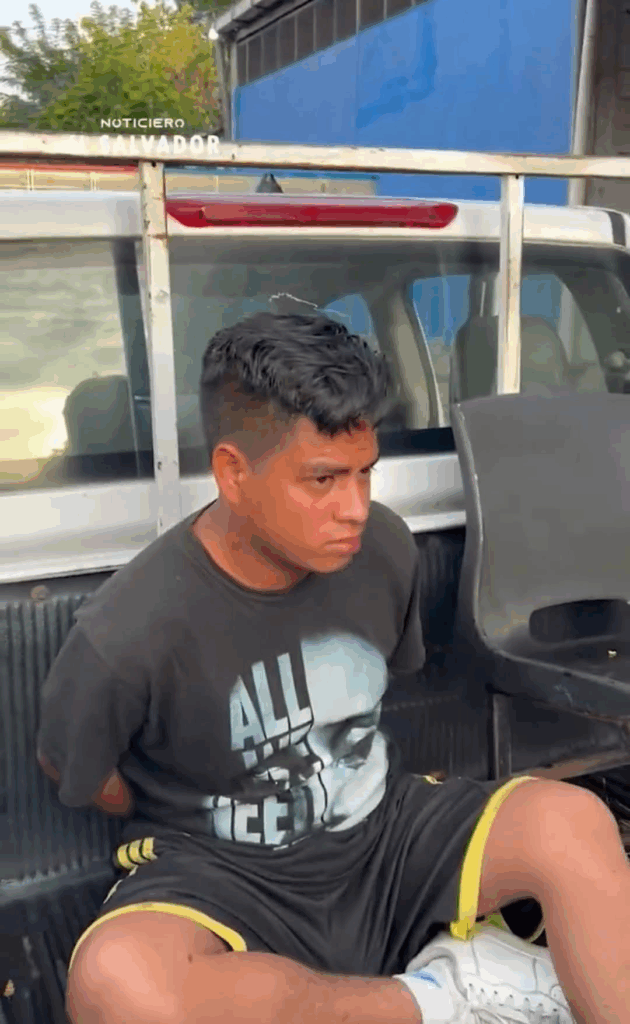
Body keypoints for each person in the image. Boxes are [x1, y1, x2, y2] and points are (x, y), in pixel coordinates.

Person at [37, 312, 629, 1024]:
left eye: (365, 473)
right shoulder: (126, 629)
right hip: (223, 874)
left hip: (384, 837)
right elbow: (80, 775)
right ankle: (448, 993)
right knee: (116, 984)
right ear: (233, 473)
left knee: (571, 821)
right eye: (322, 479)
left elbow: (380, 691)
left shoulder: (385, 550)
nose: (355, 508)